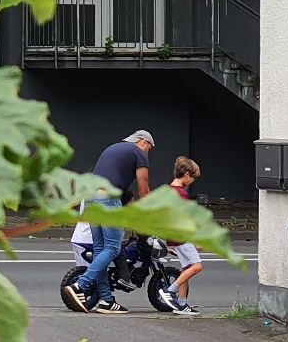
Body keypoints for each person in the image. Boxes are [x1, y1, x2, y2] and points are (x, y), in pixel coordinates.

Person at [62, 130, 154, 314]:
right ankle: (81, 285)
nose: (148, 153)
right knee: (113, 247)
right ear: (144, 142)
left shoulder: (113, 148)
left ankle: (106, 300)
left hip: (90, 199)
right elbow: (144, 190)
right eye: (149, 148)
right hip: (107, 198)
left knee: (100, 249)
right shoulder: (138, 152)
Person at [159, 156, 204, 314]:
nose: (192, 181)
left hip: (170, 236)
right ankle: (170, 291)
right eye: (193, 178)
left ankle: (182, 303)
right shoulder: (181, 194)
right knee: (197, 266)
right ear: (186, 175)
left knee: (186, 268)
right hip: (181, 237)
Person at [70, 192, 137, 290]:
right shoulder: (113, 197)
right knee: (116, 250)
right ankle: (124, 279)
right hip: (90, 239)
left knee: (85, 273)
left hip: (78, 236)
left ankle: (90, 297)